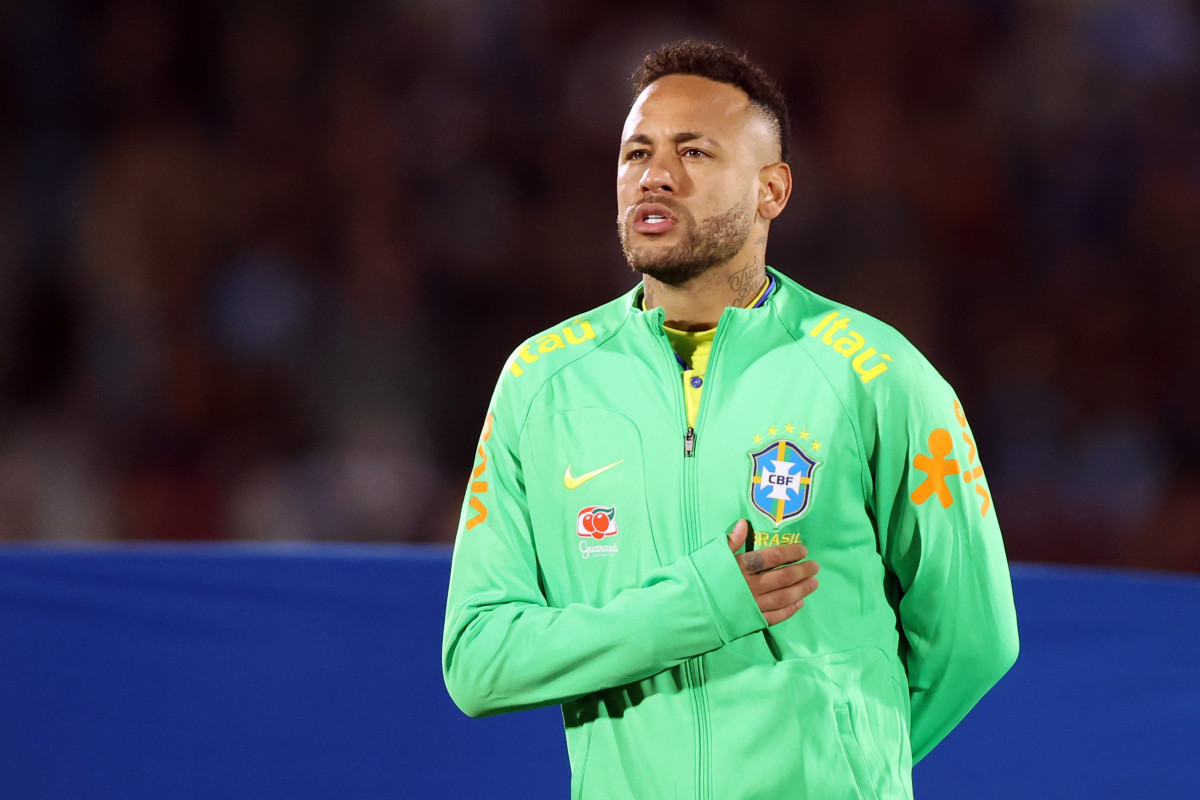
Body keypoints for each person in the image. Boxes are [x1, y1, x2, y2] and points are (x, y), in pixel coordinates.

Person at [443, 39, 1018, 799]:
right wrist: (701, 604)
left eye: (695, 152)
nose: (655, 175)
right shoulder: (542, 383)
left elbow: (975, 640)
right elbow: (479, 660)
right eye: (636, 152)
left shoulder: (877, 373)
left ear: (772, 190)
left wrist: (847, 765)